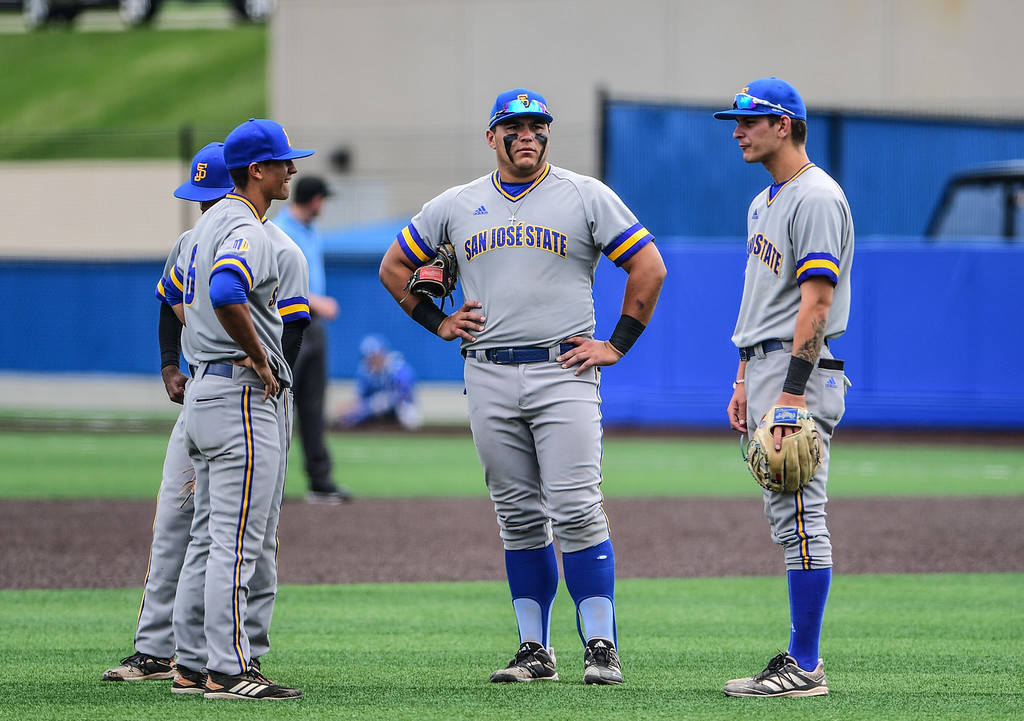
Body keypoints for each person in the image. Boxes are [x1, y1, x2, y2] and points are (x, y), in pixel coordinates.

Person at [379, 88, 667, 685]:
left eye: (538, 125)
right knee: (516, 515)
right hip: (485, 369)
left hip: (563, 371)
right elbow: (394, 268)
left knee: (578, 509)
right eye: (514, 126)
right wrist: (437, 321)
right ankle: (534, 651)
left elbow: (648, 266)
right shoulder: (456, 205)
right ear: (492, 137)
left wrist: (615, 345)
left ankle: (600, 646)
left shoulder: (584, 195)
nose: (527, 134)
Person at [714, 77, 853, 697]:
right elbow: (761, 300)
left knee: (801, 513)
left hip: (800, 372)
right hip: (766, 364)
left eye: (749, 120)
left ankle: (807, 664)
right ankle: (801, 659)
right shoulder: (763, 202)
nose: (738, 131)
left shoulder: (817, 197)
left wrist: (792, 395)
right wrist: (745, 376)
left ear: (786, 124)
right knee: (786, 513)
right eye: (736, 122)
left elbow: (816, 303)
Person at [169, 118, 314, 701]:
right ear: (257, 171)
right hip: (237, 397)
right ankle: (229, 671)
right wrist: (258, 355)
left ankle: (189, 663)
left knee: (206, 537)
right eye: (282, 163)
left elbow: (184, 295)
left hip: (203, 391)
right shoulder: (248, 228)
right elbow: (230, 290)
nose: (291, 171)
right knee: (237, 539)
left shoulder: (202, 228)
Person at [101, 142, 235, 684]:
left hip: (244, 397)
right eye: (198, 198)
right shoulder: (190, 241)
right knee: (173, 522)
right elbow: (167, 302)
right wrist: (167, 366)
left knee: (227, 533)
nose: (203, 208)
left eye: (211, 196)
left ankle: (211, 657)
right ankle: (155, 651)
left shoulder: (262, 242)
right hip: (199, 394)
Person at [273, 176, 353, 503]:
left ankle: (320, 481)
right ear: (315, 199)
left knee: (312, 402)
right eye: (323, 198)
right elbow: (278, 283)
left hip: (314, 325)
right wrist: (317, 302)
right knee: (278, 401)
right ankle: (270, 479)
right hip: (287, 323)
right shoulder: (280, 230)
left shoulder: (311, 229)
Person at [336, 334, 420, 430]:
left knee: (410, 416)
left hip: (399, 404)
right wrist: (347, 408)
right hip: (374, 408)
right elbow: (360, 398)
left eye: (375, 356)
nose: (373, 360)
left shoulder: (397, 368)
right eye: (370, 357)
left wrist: (386, 400)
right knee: (363, 410)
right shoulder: (365, 371)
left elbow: (406, 394)